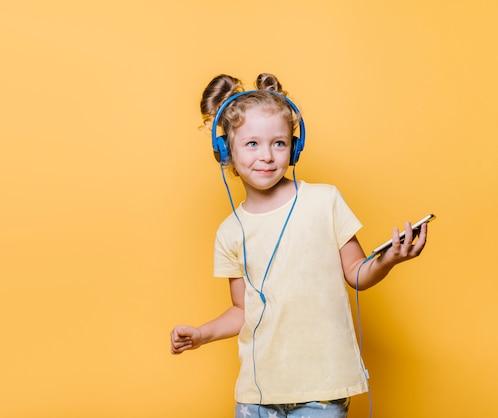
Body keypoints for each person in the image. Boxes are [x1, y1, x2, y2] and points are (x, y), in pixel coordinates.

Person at [170, 73, 429, 418]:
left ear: (294, 147)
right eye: (252, 144)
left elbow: (355, 273)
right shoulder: (229, 231)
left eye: (278, 143)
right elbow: (241, 310)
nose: (267, 156)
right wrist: (202, 334)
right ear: (225, 151)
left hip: (323, 386)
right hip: (257, 393)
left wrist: (389, 259)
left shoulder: (325, 201)